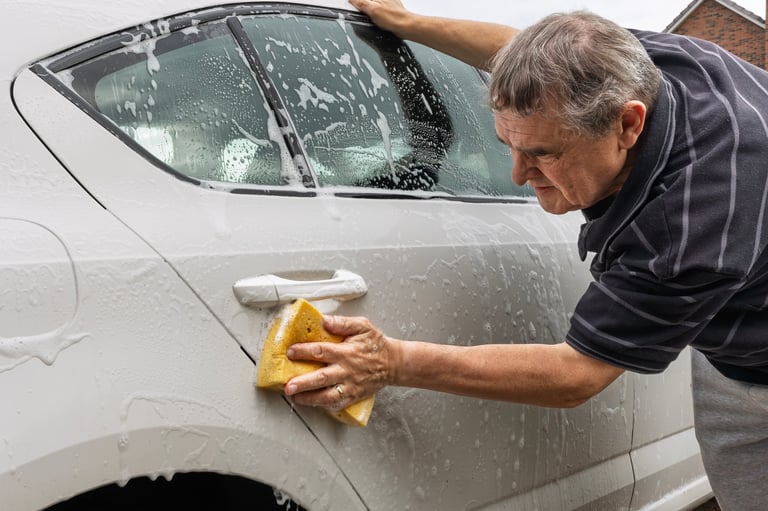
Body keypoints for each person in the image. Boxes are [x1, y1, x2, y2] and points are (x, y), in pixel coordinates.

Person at [282, 1, 768, 509]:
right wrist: (410, 24)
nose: (517, 174)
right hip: (739, 343)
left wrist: (391, 361)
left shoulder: (694, 219)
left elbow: (576, 374)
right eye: (507, 146)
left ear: (628, 125)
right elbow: (510, 50)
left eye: (542, 153)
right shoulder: (624, 64)